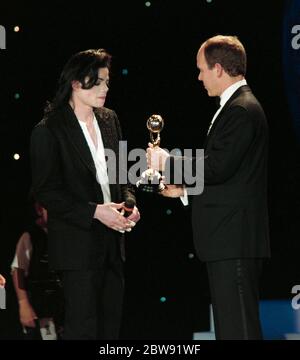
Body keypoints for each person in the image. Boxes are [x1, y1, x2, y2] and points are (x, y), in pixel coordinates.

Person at [147, 35, 270, 340]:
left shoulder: (241, 109)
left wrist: (167, 162)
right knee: (231, 330)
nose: (199, 77)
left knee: (239, 331)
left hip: (234, 240)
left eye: (201, 69)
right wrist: (184, 191)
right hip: (228, 240)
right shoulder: (235, 107)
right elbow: (228, 175)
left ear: (218, 69)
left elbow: (217, 166)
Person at [30, 48, 140, 340]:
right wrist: (95, 211)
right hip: (77, 247)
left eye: (107, 82)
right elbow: (47, 191)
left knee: (110, 329)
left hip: (113, 245)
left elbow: (122, 175)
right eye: (98, 82)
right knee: (83, 330)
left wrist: (129, 203)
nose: (105, 88)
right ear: (77, 83)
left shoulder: (110, 119)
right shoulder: (49, 129)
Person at [11, 201, 64, 340]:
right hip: (41, 306)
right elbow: (18, 270)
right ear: (40, 209)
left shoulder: (64, 236)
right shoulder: (30, 237)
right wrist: (24, 304)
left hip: (63, 305)